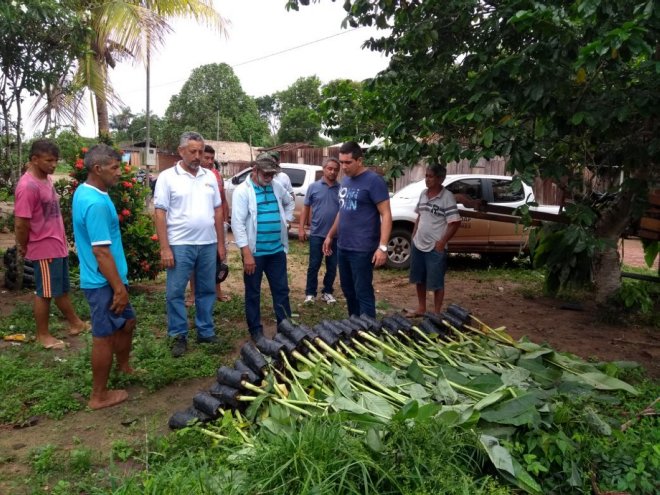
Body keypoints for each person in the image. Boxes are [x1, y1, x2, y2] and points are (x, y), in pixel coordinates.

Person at [72, 144, 136, 410]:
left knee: (127, 322)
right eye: (114, 168)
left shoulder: (91, 192)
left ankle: (123, 367)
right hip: (103, 283)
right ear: (97, 169)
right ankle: (98, 396)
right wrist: (118, 288)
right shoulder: (95, 202)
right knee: (104, 336)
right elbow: (100, 251)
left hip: (110, 279)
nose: (119, 173)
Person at [153, 132, 226, 358]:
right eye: (192, 151)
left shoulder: (209, 176)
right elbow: (160, 213)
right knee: (175, 292)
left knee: (206, 290)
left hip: (207, 243)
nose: (197, 156)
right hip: (180, 244)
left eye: (200, 151)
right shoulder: (167, 177)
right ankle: (178, 334)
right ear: (181, 151)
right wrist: (165, 248)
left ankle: (205, 330)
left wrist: (221, 244)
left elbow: (217, 210)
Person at [14, 139, 88, 350]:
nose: (54, 165)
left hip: (57, 245)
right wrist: (23, 245)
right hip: (43, 246)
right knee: (45, 293)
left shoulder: (45, 179)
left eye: (56, 160)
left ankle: (76, 324)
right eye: (49, 160)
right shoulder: (27, 186)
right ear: (34, 159)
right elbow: (21, 223)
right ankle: (43, 335)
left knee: (60, 288)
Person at [323, 141, 392, 318]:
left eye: (348, 162)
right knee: (347, 289)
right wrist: (330, 235)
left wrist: (382, 247)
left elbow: (386, 214)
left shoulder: (374, 181)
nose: (343, 167)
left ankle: (368, 328)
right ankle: (354, 324)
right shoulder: (346, 180)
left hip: (362, 248)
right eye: (342, 162)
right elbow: (343, 210)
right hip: (343, 246)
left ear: (359, 160)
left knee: (363, 291)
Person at [231, 155, 294, 341]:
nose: (269, 177)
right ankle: (256, 330)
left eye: (272, 174)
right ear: (255, 170)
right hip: (255, 253)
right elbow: (238, 223)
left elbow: (289, 201)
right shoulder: (243, 191)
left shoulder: (276, 186)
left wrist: (287, 220)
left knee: (281, 290)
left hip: (276, 251)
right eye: (266, 173)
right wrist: (246, 253)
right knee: (253, 292)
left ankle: (285, 328)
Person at [408, 163, 462, 315]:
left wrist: (442, 242)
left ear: (440, 179)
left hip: (435, 247)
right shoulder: (423, 194)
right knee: (419, 279)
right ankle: (421, 308)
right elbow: (420, 215)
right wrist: (414, 234)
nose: (427, 179)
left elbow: (455, 222)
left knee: (436, 282)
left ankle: (437, 313)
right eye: (426, 176)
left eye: (431, 176)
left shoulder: (447, 197)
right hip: (418, 244)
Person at [185, 144, 231, 305]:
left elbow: (223, 198)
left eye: (212, 158)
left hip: (217, 224)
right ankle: (193, 294)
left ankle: (218, 291)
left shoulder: (216, 175)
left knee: (219, 259)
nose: (210, 161)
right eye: (207, 158)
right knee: (194, 260)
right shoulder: (191, 177)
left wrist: (225, 220)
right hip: (199, 227)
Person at [298, 157, 340, 305]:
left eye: (335, 169)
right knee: (314, 264)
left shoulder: (341, 189)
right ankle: (310, 293)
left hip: (335, 236)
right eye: (330, 168)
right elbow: (306, 208)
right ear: (324, 169)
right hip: (317, 234)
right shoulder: (313, 187)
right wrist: (301, 228)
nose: (332, 171)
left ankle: (327, 292)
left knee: (332, 265)